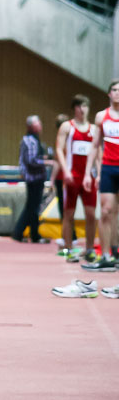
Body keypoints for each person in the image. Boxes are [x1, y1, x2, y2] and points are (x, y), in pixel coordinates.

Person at [54, 96, 98, 263]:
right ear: (74, 108)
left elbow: (98, 153)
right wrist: (65, 171)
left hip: (88, 178)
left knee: (91, 214)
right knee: (68, 213)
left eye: (85, 106)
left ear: (88, 108)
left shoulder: (94, 129)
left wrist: (99, 173)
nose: (82, 109)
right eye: (79, 106)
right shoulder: (67, 127)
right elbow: (59, 148)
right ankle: (68, 248)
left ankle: (89, 249)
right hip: (72, 176)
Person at [82, 80, 119, 273]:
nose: (118, 93)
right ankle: (105, 257)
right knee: (106, 211)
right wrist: (89, 173)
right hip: (108, 168)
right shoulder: (101, 117)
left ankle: (116, 252)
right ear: (109, 94)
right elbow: (95, 145)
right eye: (114, 90)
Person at [12, 115, 50, 243]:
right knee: (32, 207)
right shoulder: (30, 140)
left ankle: (33, 234)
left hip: (36, 177)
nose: (40, 125)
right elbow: (31, 160)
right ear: (31, 126)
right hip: (33, 178)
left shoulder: (35, 139)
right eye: (37, 123)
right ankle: (19, 233)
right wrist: (48, 162)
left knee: (33, 207)